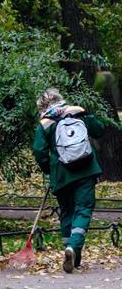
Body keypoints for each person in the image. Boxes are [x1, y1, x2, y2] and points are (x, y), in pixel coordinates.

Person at [32, 87, 104, 273]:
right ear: (60, 99)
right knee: (83, 209)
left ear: (42, 105)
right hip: (86, 170)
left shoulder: (45, 123)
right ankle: (74, 249)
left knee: (67, 212)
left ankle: (71, 252)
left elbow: (39, 151)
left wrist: (49, 170)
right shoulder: (76, 112)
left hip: (61, 175)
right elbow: (99, 130)